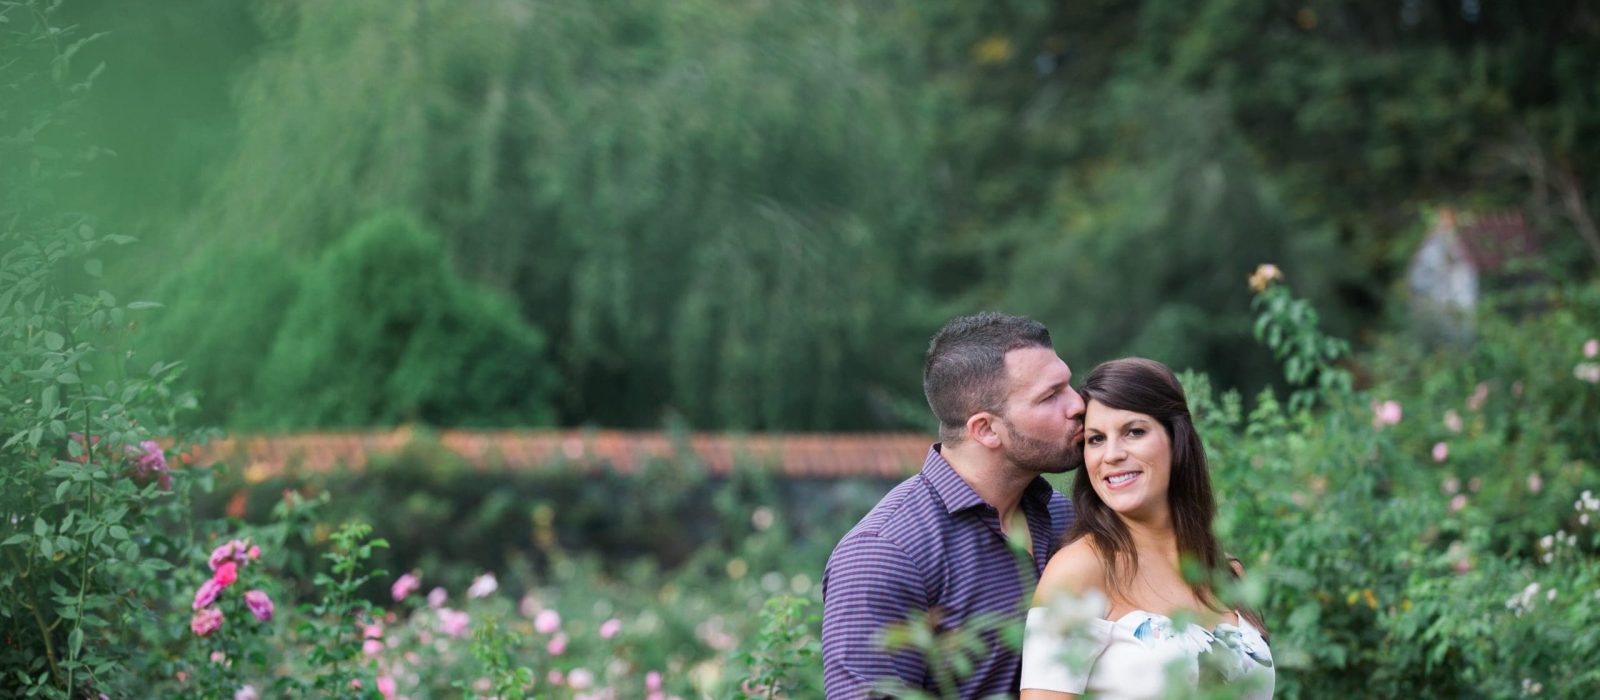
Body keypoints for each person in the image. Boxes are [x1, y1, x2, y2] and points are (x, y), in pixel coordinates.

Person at [822, 312, 1085, 698]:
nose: (1078, 404)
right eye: (1050, 396)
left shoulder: (1064, 516)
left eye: (1068, 384)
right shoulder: (885, 553)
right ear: (986, 429)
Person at [1020, 358, 1274, 699]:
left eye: (1133, 432)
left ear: (1176, 438)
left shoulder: (1226, 573)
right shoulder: (1079, 571)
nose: (1110, 455)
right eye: (1095, 439)